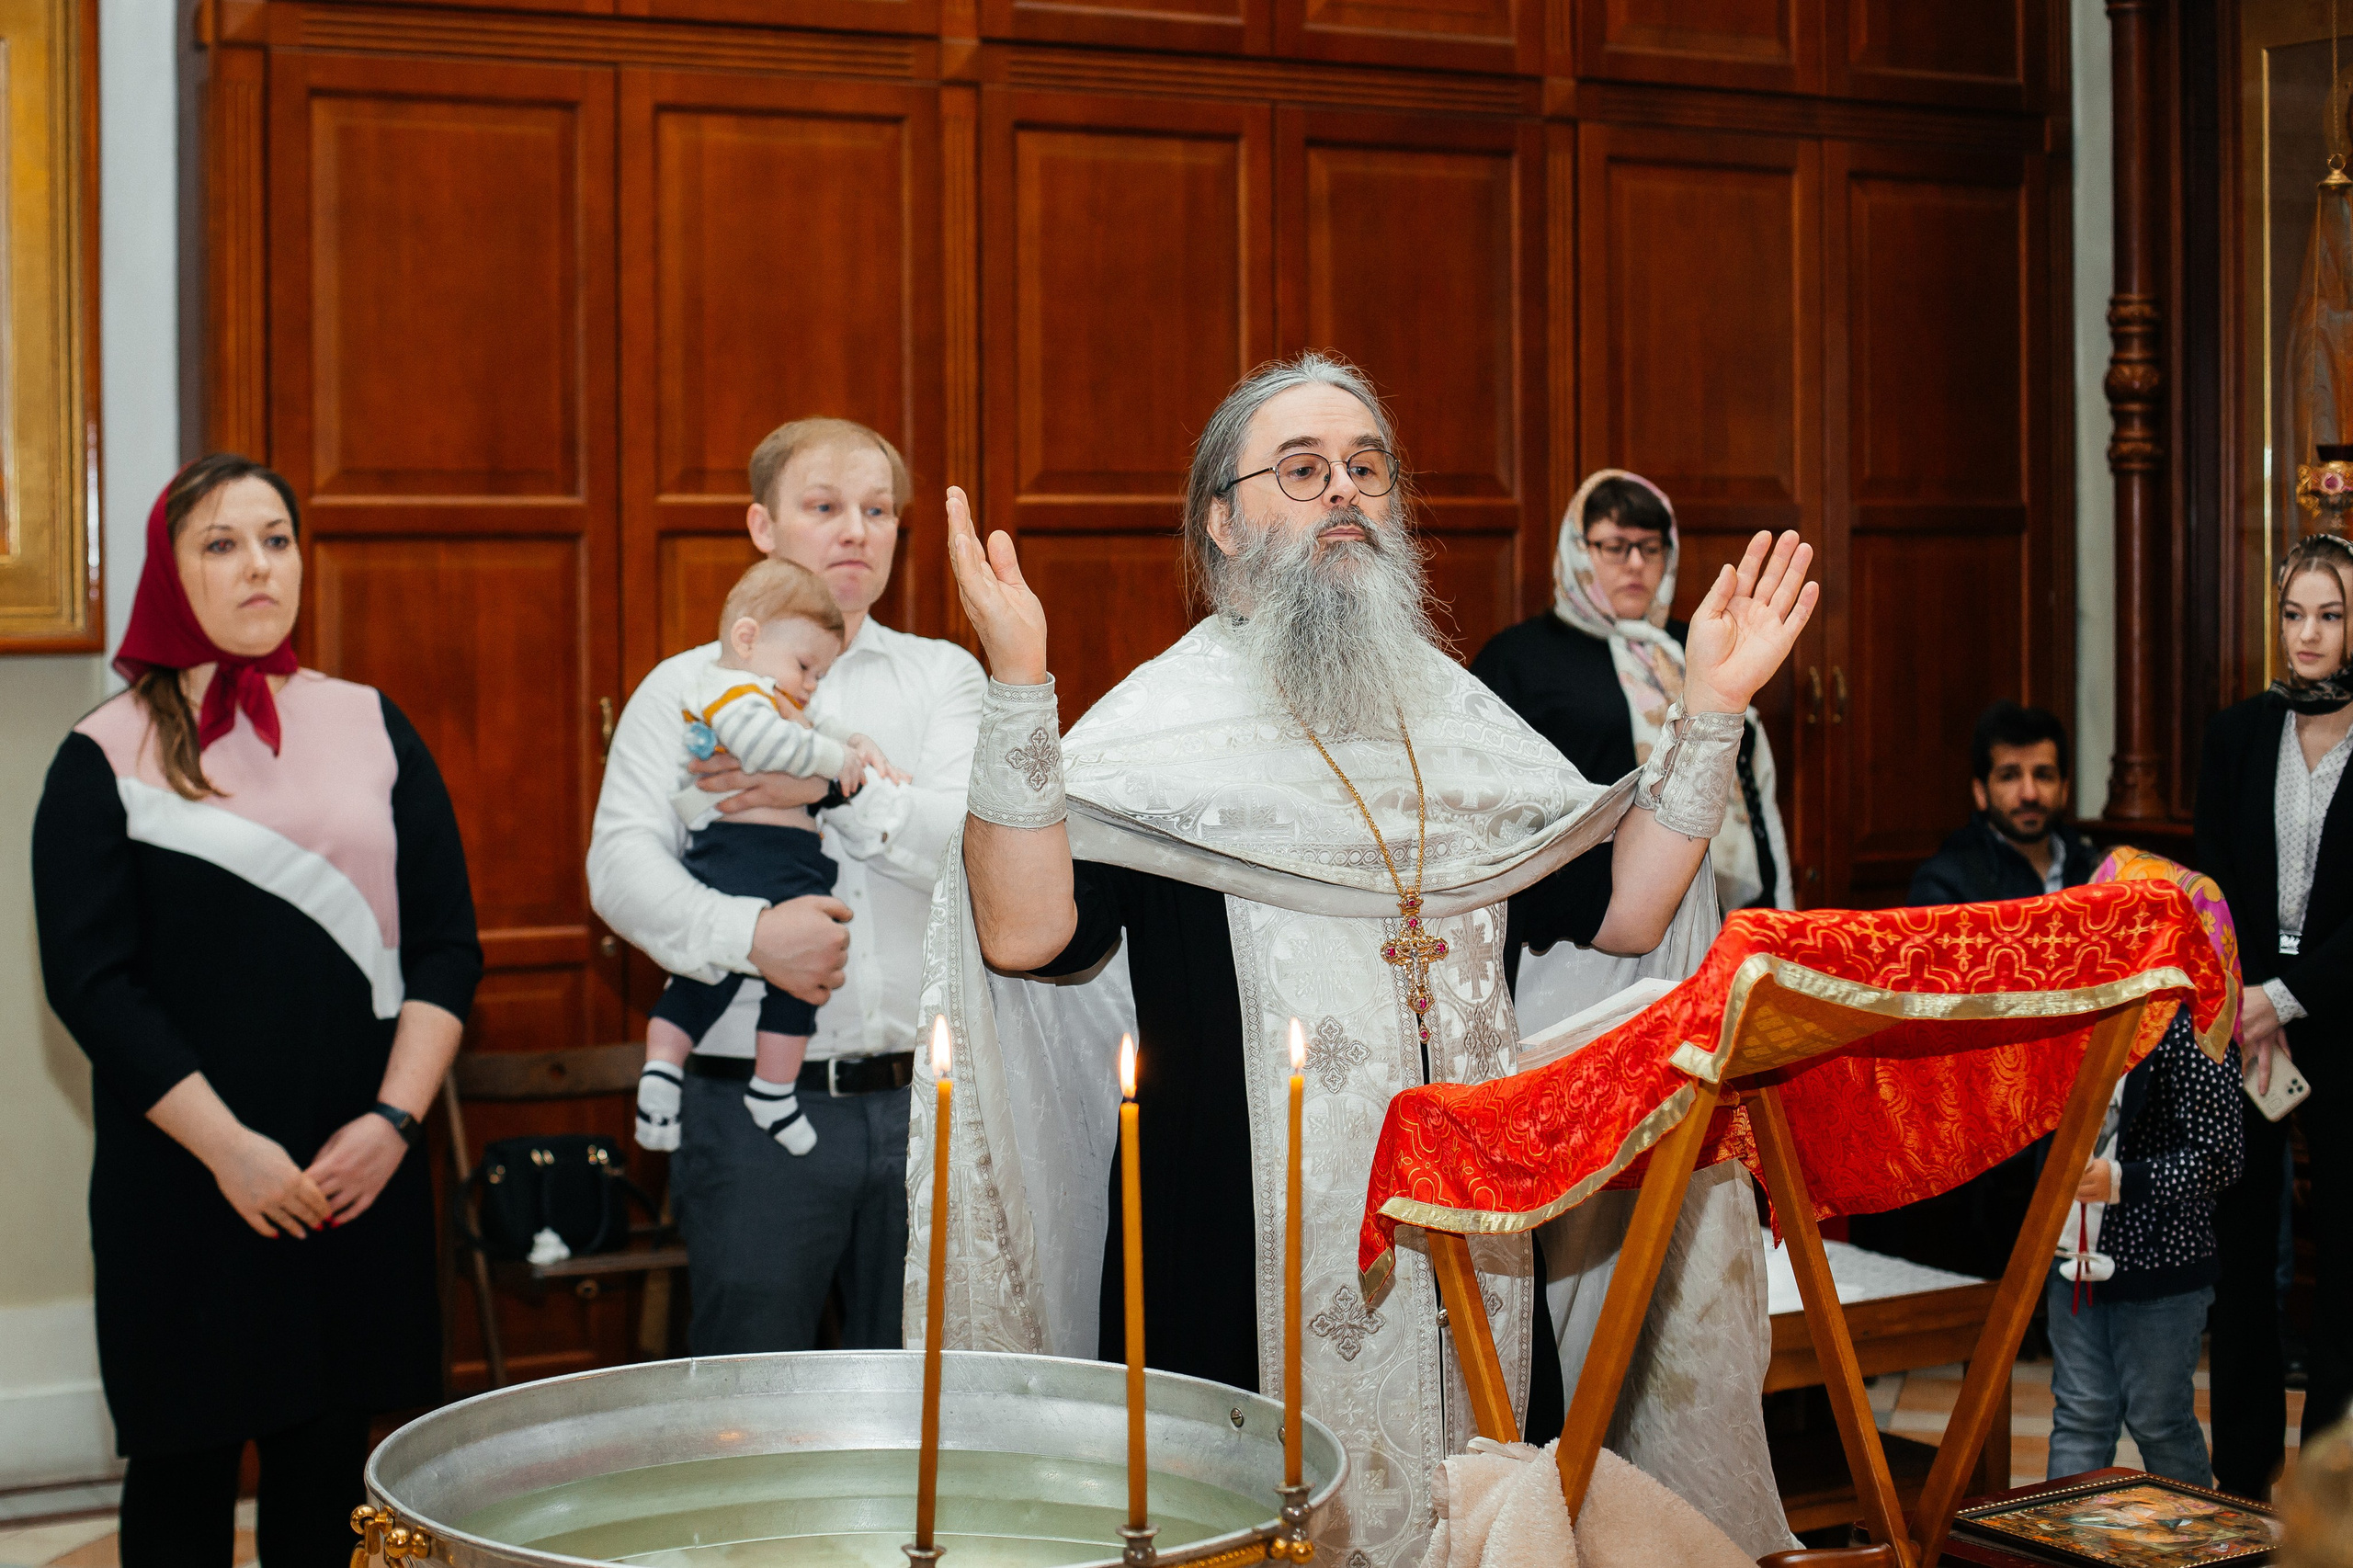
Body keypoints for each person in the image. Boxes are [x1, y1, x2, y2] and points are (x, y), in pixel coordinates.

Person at [919, 353, 1817, 1565]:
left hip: (1467, 1250)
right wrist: (1019, 683)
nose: (1344, 489)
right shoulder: (1157, 734)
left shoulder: (1462, 724)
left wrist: (1708, 710)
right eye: (1301, 468)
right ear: (1224, 523)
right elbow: (1026, 934)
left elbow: (1624, 912)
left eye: (1366, 466)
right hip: (1228, 1259)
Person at [32, 457, 481, 1568]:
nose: (258, 565)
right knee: (182, 1477)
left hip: (355, 1171)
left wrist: (394, 1125)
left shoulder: (373, 722)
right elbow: (92, 983)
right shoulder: (101, 753)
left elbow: (444, 948)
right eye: (222, 543)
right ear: (170, 572)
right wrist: (231, 1152)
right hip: (186, 1182)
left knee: (333, 1469)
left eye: (276, 538)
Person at [590, 416, 984, 1354]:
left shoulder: (943, 678)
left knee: (924, 1405)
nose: (856, 529)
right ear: (761, 526)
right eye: (824, 507)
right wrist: (749, 937)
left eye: (878, 510)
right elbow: (618, 868)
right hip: (752, 1112)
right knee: (752, 1418)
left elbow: (965, 850)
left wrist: (832, 785)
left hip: (923, 1103)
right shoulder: (682, 687)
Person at [636, 558, 904, 1158]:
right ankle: (662, 1067)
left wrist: (856, 743)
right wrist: (836, 765)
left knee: (800, 979)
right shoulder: (731, 692)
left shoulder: (775, 695)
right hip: (746, 856)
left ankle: (771, 1090)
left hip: (785, 862)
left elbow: (812, 727)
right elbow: (767, 743)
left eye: (821, 673)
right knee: (707, 977)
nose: (811, 684)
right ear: (749, 638)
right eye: (806, 667)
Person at [1472, 468, 1793, 928]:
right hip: (1580, 919)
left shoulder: (1703, 644)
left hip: (1710, 904)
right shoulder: (1518, 658)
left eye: (1651, 547)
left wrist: (1774, 905)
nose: (1637, 564)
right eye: (1615, 546)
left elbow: (1751, 780)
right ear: (1577, 549)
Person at [2200, 531, 2353, 1499]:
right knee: (2242, 1255)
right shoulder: (2238, 732)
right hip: (2243, 1012)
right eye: (2294, 611)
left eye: (2330, 614)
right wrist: (2245, 996)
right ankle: (2242, 1485)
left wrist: (2285, 998)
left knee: (2344, 1263)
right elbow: (2214, 879)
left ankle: (2333, 1495)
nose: (2308, 633)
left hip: (2339, 1013)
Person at [2044, 853, 2245, 1486]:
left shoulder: (2192, 1026)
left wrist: (2123, 1182)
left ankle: (2199, 1549)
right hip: (2071, 1254)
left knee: (2158, 1419)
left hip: (2161, 1270)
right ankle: (2058, 1551)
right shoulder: (2077, 1011)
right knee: (2080, 1417)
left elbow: (2221, 1155)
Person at [1910, 701, 2098, 904]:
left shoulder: (2095, 870)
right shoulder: (1945, 883)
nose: (2030, 794)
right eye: (2009, 776)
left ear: (2064, 790)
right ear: (1981, 792)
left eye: (2043, 776)